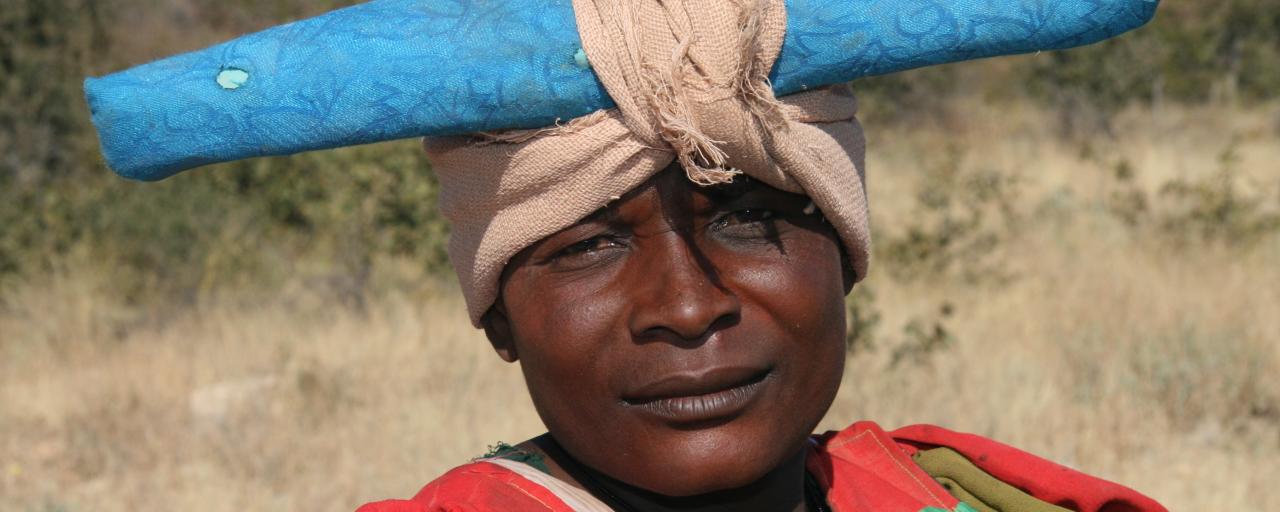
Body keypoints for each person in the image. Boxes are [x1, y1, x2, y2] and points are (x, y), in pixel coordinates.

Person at [84, 1, 1166, 510]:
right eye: (589, 242)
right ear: (497, 313)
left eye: (748, 214)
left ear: (843, 252)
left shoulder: (959, 492)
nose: (686, 308)